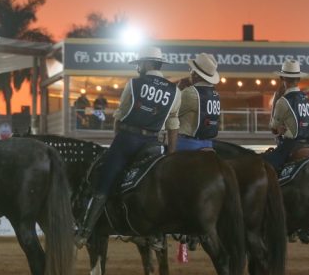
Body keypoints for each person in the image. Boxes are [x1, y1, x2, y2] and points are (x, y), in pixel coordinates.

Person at [74, 46, 180, 248]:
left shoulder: (134, 84)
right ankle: (157, 236)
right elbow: (173, 125)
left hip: (128, 139)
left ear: (148, 64)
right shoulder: (174, 91)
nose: (138, 67)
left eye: (140, 64)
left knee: (103, 181)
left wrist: (117, 141)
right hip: (153, 145)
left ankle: (84, 233)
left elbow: (120, 115)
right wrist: (171, 155)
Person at [262, 59, 309, 170]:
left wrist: (276, 98)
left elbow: (273, 127)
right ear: (299, 79)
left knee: (266, 166)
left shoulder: (283, 101)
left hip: (291, 145)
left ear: (282, 78)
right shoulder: (306, 98)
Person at [175, 53, 221, 151]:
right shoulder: (215, 94)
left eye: (191, 70)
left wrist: (178, 88)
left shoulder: (190, 92)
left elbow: (170, 110)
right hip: (208, 143)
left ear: (195, 74)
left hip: (187, 144)